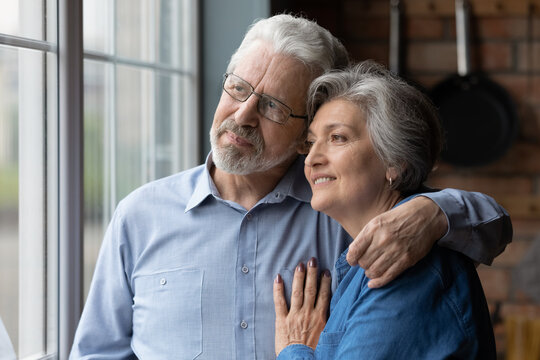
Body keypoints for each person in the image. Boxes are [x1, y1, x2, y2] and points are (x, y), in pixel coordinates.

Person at [70, 14, 511, 359]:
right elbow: (97, 353)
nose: (242, 115)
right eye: (237, 87)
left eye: (274, 107)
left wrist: (435, 213)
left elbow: (491, 228)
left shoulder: (346, 211)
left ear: (307, 129)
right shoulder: (140, 214)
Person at [274, 61, 496, 359]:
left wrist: (294, 349)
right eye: (312, 142)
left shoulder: (404, 264)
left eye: (337, 137)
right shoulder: (366, 262)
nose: (311, 158)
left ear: (394, 163)